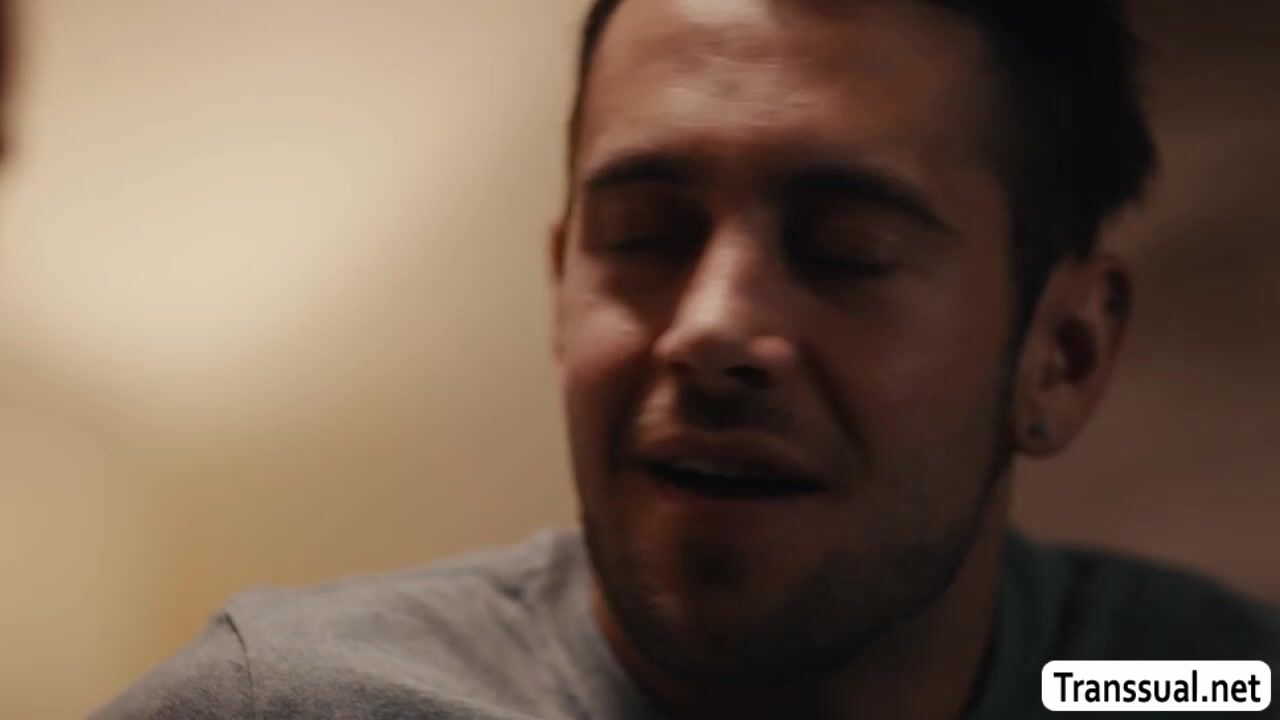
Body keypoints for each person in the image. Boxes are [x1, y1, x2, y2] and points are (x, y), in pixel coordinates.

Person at [93, 1, 1278, 718]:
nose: (707, 328)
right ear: (559, 285)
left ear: (1061, 355)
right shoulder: (288, 706)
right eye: (645, 236)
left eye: (845, 249)